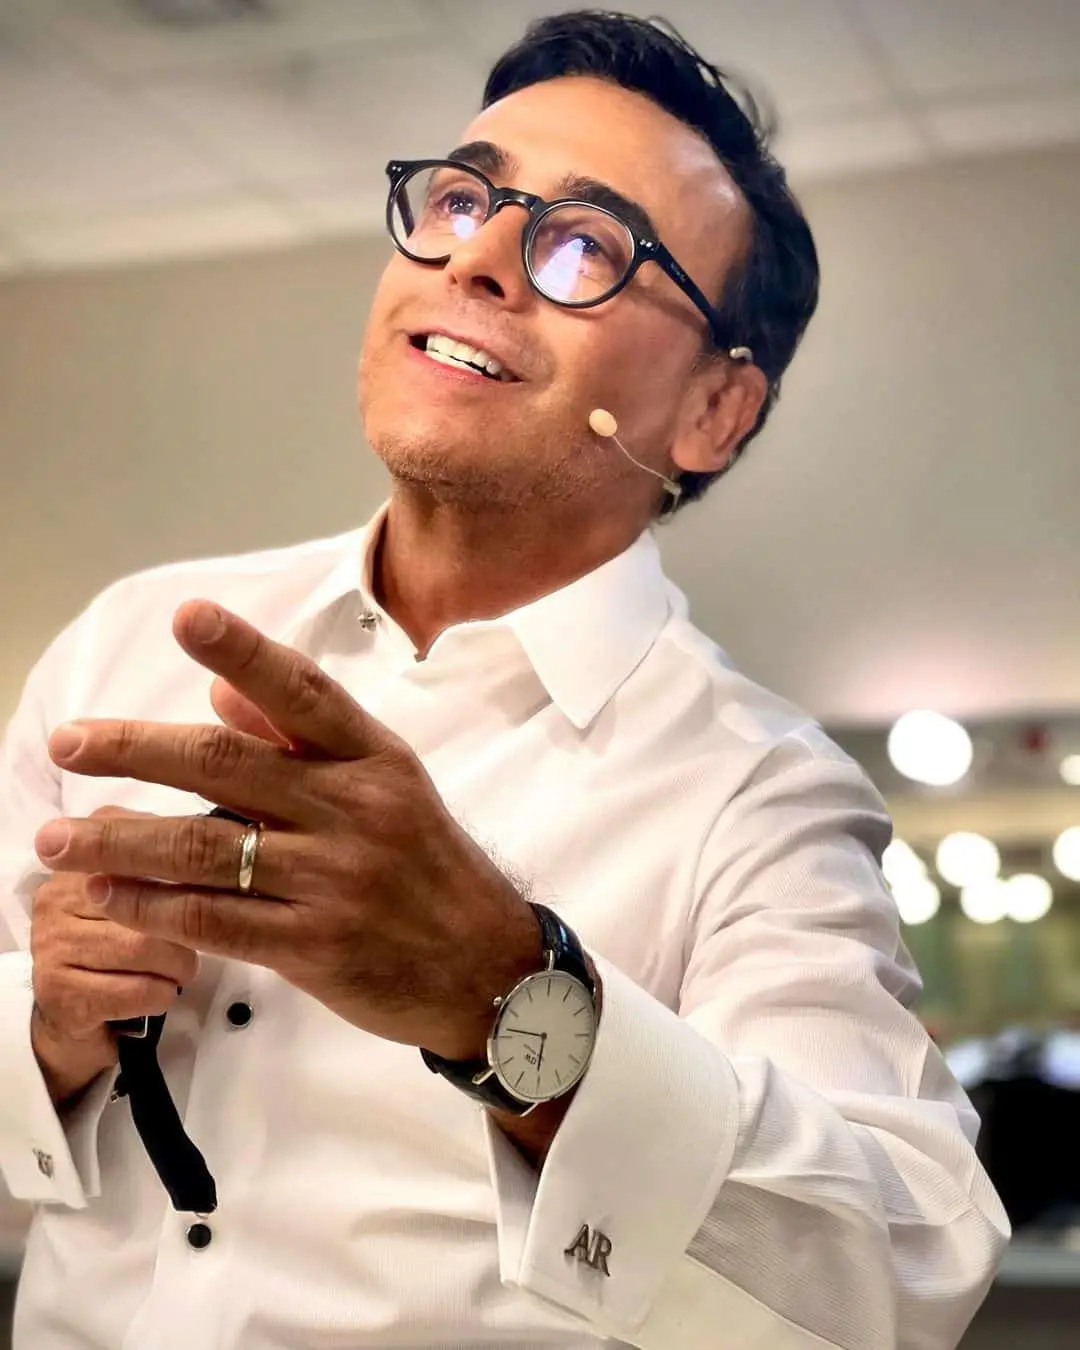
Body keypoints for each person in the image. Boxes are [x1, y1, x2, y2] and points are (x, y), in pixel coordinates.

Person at [0, 9, 1007, 1349]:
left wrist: (511, 998)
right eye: (463, 200)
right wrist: (48, 1029)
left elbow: (897, 1277)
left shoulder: (759, 795)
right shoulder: (132, 640)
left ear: (714, 410)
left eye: (588, 246)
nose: (476, 257)